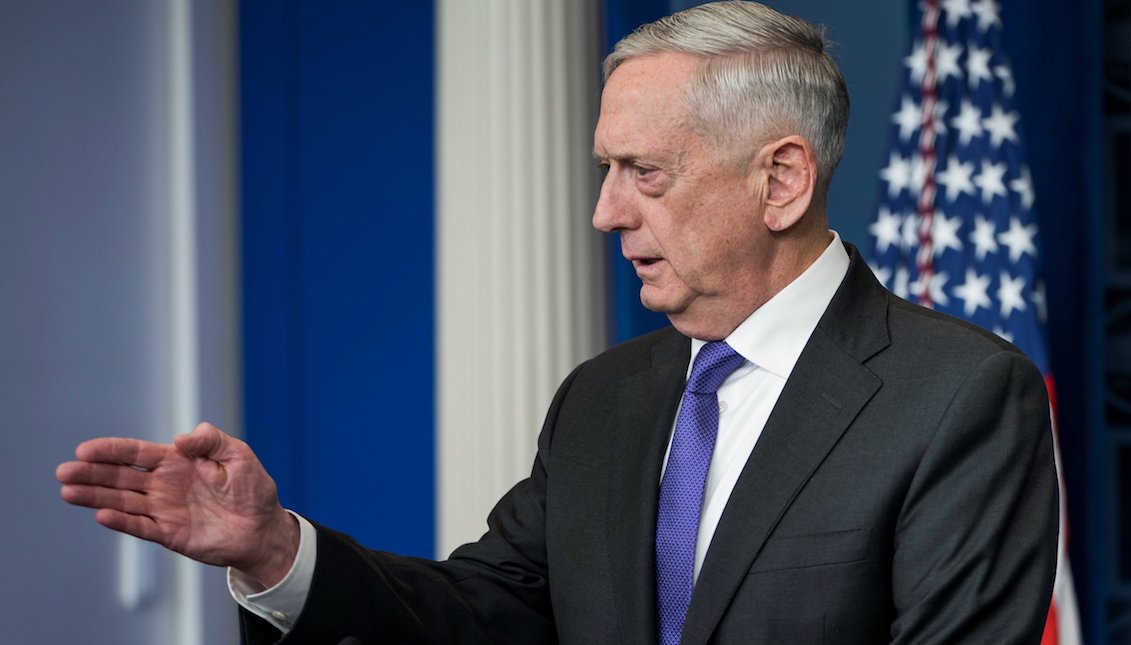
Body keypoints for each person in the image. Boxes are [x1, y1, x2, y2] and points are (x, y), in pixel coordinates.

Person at [57, 2, 1058, 643]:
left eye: (645, 174)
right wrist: (276, 549)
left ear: (781, 180)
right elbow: (490, 614)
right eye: (604, 171)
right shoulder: (605, 397)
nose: (606, 213)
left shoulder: (958, 396)